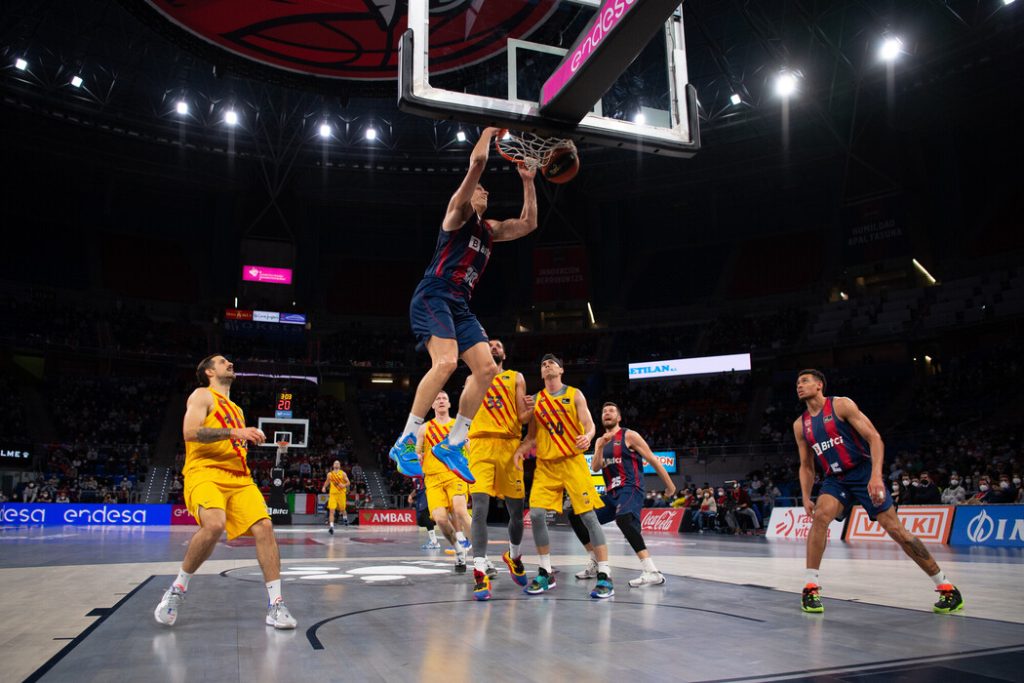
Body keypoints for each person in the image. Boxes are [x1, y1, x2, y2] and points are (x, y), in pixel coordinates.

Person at [389, 129, 539, 482]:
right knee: (446, 362)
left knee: (487, 370)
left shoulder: (490, 230)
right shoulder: (456, 215)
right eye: (479, 188)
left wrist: (528, 181)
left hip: (460, 302)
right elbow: (479, 161)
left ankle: (454, 443)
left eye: (486, 189)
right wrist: (489, 131)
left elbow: (529, 223)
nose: (484, 190)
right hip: (434, 294)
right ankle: (406, 439)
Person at [793, 369, 963, 615]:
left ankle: (946, 587)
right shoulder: (801, 425)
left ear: (819, 385)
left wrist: (875, 476)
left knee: (897, 531)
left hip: (862, 472)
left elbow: (874, 438)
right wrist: (805, 495)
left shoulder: (841, 405)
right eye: (797, 382)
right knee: (820, 517)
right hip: (835, 480)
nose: (799, 385)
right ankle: (810, 588)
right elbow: (806, 466)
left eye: (805, 381)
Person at [155, 354, 297, 629]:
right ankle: (177, 589)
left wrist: (243, 436)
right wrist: (235, 433)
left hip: (240, 478)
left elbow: (233, 440)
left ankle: (276, 604)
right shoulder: (202, 395)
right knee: (214, 524)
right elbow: (190, 432)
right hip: (205, 471)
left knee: (265, 527)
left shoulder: (237, 410)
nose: (229, 363)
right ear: (209, 372)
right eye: (222, 362)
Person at [514, 354, 608, 598]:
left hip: (572, 462)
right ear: (541, 373)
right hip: (546, 465)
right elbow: (531, 437)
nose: (547, 365)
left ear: (561, 370)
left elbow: (589, 424)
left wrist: (588, 436)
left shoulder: (575, 394)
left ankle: (604, 574)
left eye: (552, 363)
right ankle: (545, 572)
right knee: (536, 514)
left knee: (588, 516)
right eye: (543, 364)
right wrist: (519, 451)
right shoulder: (536, 400)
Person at [574, 402, 676, 587]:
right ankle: (595, 561)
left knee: (624, 519)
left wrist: (670, 486)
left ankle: (652, 571)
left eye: (612, 411)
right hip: (611, 494)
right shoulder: (600, 441)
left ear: (619, 417)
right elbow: (595, 467)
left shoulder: (629, 435)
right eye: (604, 411)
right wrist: (599, 447)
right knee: (576, 515)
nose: (607, 413)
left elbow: (652, 459)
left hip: (630, 488)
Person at [465, 339, 532, 601]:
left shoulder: (516, 377)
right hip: (480, 446)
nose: (493, 347)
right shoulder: (473, 378)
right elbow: (465, 411)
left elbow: (522, 417)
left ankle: (513, 555)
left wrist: (532, 408)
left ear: (504, 354)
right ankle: (479, 571)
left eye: (498, 345)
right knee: (479, 509)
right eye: (489, 345)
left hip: (508, 446)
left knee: (516, 511)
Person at [416, 391, 472, 573]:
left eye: (444, 399)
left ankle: (482, 557)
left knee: (460, 511)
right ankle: (459, 551)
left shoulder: (458, 426)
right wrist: (417, 456)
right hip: (432, 479)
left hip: (454, 475)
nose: (441, 401)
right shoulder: (424, 428)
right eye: (437, 399)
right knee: (440, 519)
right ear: (432, 405)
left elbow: (471, 449)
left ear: (449, 404)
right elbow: (416, 452)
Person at [408, 476, 440, 549]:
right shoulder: (413, 475)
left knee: (424, 515)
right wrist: (411, 495)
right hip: (419, 496)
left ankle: (434, 542)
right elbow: (417, 488)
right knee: (420, 521)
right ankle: (434, 539)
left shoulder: (421, 471)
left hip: (426, 493)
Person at [321, 460, 350, 533]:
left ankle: (345, 518)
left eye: (338, 463)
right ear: (333, 465)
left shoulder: (343, 473)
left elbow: (348, 482)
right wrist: (324, 487)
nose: (336, 464)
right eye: (335, 463)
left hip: (341, 494)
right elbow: (327, 481)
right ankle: (331, 526)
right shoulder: (330, 474)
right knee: (331, 510)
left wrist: (344, 485)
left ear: (339, 466)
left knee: (342, 509)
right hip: (333, 494)